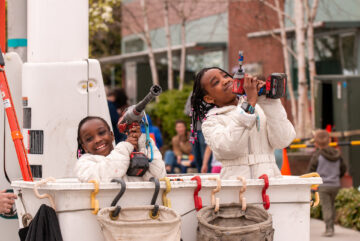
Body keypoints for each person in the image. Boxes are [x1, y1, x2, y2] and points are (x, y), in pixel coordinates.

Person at [190, 67, 296, 180]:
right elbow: (230, 148)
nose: (225, 80)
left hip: (269, 188)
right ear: (209, 98)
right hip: (236, 190)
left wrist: (268, 102)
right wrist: (249, 105)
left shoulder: (260, 108)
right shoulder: (211, 122)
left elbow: (283, 140)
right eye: (216, 82)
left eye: (225, 76)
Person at [74, 116, 166, 182]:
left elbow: (158, 175)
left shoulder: (129, 156)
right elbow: (108, 174)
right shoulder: (84, 163)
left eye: (101, 133)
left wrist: (142, 141)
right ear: (85, 147)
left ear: (112, 135)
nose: (97, 140)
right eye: (89, 139)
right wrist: (126, 146)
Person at [307, 130, 346, 237]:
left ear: (316, 143)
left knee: (326, 207)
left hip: (323, 185)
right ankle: (332, 226)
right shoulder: (337, 154)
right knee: (332, 205)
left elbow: (311, 170)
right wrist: (338, 177)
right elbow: (343, 168)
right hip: (335, 185)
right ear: (329, 140)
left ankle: (329, 229)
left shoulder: (317, 155)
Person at [185, 92, 207, 172]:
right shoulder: (192, 94)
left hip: (204, 130)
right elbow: (187, 111)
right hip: (194, 131)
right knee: (196, 156)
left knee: (205, 156)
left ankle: (207, 176)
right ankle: (200, 175)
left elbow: (209, 111)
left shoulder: (208, 92)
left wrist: (195, 110)